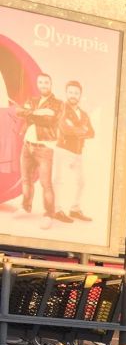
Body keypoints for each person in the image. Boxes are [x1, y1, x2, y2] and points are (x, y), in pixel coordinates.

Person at [17, 73, 61, 229]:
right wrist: (39, 112)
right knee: (26, 179)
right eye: (40, 82)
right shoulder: (33, 100)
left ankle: (49, 214)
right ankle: (25, 207)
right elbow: (20, 112)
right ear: (38, 84)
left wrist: (31, 113)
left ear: (51, 84)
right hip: (27, 146)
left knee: (46, 184)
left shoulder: (57, 103)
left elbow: (50, 120)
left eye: (46, 82)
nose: (43, 85)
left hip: (44, 149)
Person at [53, 80, 94, 224]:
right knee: (59, 181)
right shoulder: (61, 108)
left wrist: (76, 130)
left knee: (81, 182)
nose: (73, 95)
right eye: (70, 92)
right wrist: (80, 129)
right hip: (63, 150)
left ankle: (74, 209)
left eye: (76, 93)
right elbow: (64, 129)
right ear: (66, 93)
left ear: (80, 95)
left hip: (77, 152)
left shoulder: (83, 114)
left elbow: (91, 133)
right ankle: (57, 210)